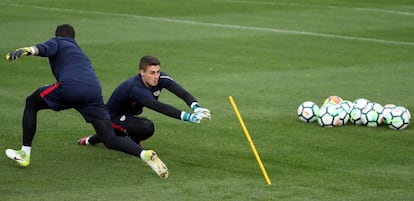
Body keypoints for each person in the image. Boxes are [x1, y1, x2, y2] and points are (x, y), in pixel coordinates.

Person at [3, 24, 197, 178]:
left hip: (71, 86)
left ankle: (25, 153)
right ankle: (144, 154)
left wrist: (27, 49)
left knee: (31, 103)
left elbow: (44, 48)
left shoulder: (60, 41)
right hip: (94, 91)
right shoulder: (79, 52)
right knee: (110, 139)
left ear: (59, 36)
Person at [77, 55, 211, 152]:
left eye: (158, 72)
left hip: (128, 116)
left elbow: (182, 92)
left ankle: (98, 139)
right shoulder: (136, 88)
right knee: (146, 127)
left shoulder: (160, 78)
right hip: (112, 117)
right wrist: (188, 117)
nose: (156, 76)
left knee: (140, 128)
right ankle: (93, 139)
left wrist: (196, 107)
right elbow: (159, 107)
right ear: (142, 72)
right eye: (152, 73)